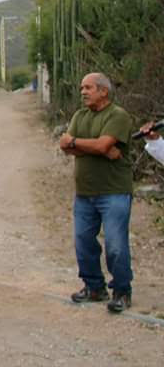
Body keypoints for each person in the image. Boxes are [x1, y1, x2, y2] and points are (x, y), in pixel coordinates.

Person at [58, 72, 135, 313]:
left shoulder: (118, 116)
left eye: (88, 87)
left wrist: (77, 142)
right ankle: (94, 287)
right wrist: (96, 147)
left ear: (104, 91)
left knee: (115, 244)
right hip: (84, 193)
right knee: (83, 242)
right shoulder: (79, 115)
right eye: (82, 87)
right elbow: (66, 147)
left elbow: (100, 144)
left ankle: (121, 290)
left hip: (114, 192)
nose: (83, 92)